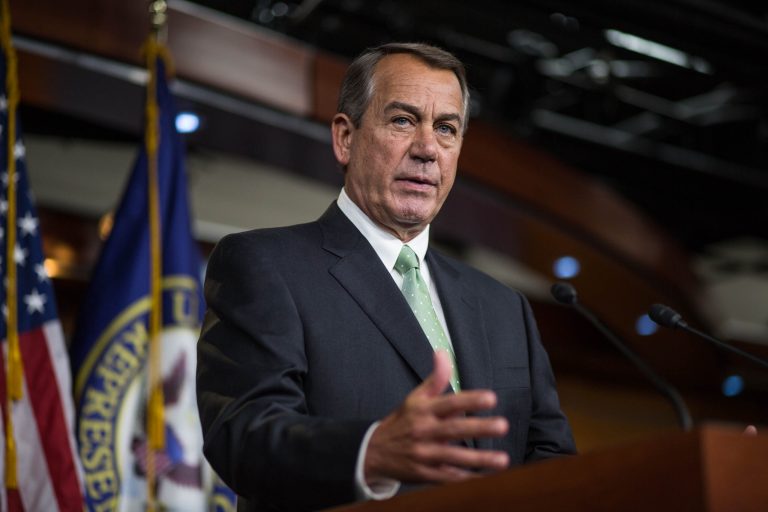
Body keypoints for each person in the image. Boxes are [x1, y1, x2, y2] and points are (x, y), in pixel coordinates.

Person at [196, 42, 576, 512]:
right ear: (345, 138)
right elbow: (243, 434)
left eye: (446, 129)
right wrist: (370, 452)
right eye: (402, 120)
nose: (426, 149)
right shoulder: (264, 264)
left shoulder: (503, 306)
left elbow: (553, 458)